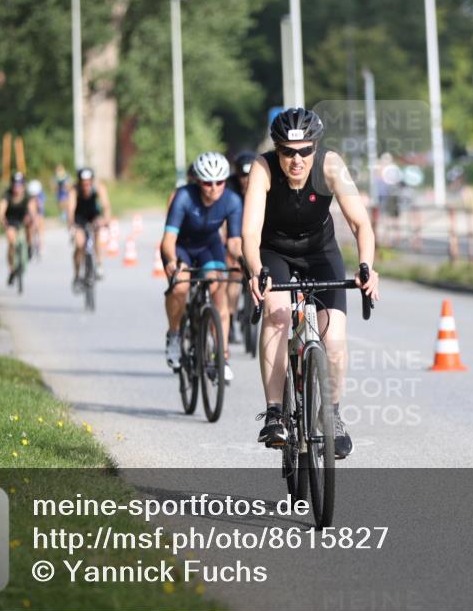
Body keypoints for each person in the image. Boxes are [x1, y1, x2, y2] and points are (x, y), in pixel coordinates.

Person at [243, 107, 380, 459]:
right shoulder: (263, 168)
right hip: (275, 253)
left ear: (315, 148)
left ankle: (330, 413)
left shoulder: (330, 166)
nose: (297, 159)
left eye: (305, 150)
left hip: (321, 254)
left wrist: (366, 266)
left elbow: (361, 224)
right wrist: (257, 270)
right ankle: (275, 411)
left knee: (333, 339)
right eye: (288, 152)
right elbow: (250, 231)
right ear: (277, 150)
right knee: (277, 316)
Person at [161, 152, 242, 382]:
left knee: (219, 293)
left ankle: (222, 357)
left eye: (220, 182)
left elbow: (235, 243)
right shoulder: (184, 197)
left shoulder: (232, 200)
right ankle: (175, 335)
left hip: (209, 246)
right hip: (181, 247)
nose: (214, 188)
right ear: (198, 181)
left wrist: (245, 261)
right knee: (180, 287)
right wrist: (171, 262)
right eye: (208, 182)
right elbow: (168, 239)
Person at [225, 152, 256, 343]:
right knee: (235, 271)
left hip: (254, 234)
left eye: (249, 176)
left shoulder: (263, 184)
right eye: (242, 176)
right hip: (232, 233)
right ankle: (229, 317)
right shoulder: (229, 188)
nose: (246, 181)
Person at [67, 167, 111, 291]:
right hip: (79, 218)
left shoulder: (98, 188)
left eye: (88, 183)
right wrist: (71, 225)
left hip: (93, 216)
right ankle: (76, 275)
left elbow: (106, 205)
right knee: (80, 244)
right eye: (83, 183)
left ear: (92, 181)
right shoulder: (74, 190)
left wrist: (106, 220)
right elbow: (70, 210)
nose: (86, 186)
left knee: (97, 232)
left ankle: (99, 264)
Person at [0, 171, 37, 285]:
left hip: (23, 220)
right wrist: (3, 221)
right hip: (11, 222)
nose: (17, 188)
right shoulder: (7, 195)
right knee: (11, 242)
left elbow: (32, 210)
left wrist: (32, 219)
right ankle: (12, 270)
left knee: (30, 227)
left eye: (19, 185)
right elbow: (1, 211)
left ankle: (29, 246)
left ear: (23, 185)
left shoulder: (27, 196)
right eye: (15, 184)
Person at [27, 178, 45, 256]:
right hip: (30, 214)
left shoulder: (40, 196)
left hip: (38, 212)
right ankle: (30, 244)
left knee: (40, 224)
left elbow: (40, 208)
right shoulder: (28, 197)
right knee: (29, 227)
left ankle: (40, 243)